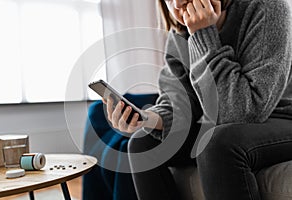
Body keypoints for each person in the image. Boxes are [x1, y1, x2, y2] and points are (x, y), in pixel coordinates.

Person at [104, 0, 292, 199]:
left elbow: (243, 112)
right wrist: (147, 119)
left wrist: (203, 35)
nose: (177, 3)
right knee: (143, 143)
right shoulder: (181, 32)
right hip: (225, 124)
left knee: (216, 143)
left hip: (282, 118)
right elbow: (179, 102)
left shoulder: (268, 7)